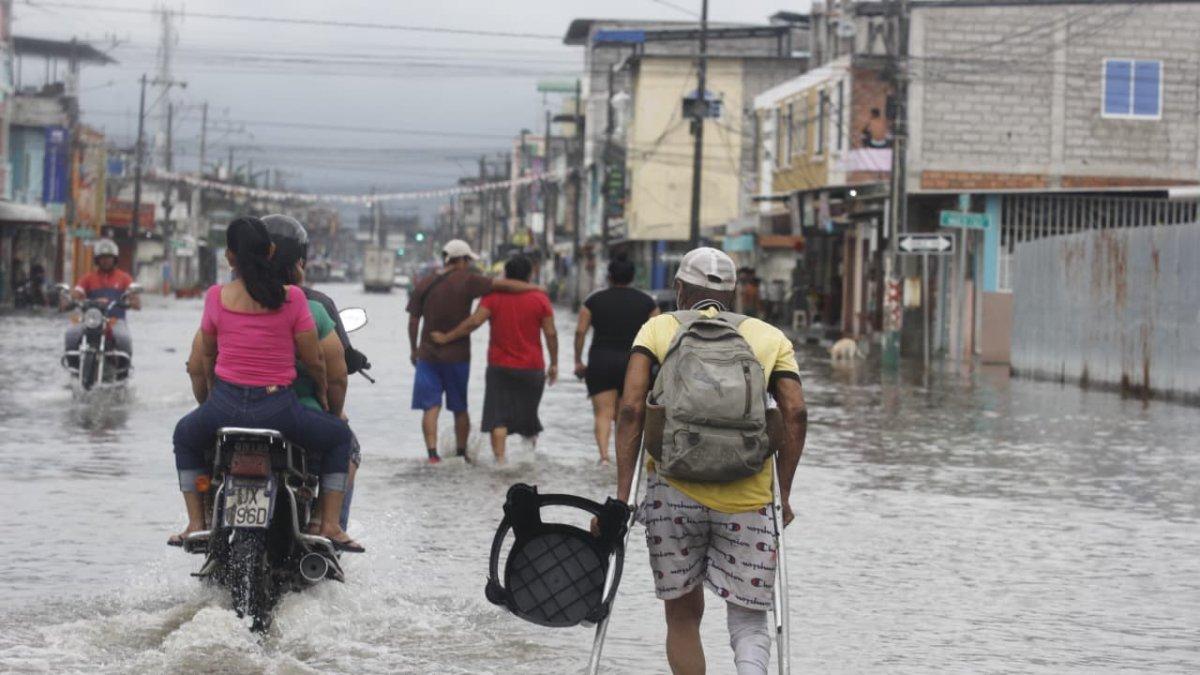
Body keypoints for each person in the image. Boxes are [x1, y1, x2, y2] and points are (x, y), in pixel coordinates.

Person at [612, 247, 808, 675]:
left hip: (672, 493)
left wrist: (622, 496)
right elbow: (794, 412)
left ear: (680, 288)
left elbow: (630, 408)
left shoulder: (658, 329)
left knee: (682, 617)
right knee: (749, 616)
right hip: (750, 497)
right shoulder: (769, 336)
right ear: (735, 293)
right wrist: (784, 494)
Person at [171, 216, 362, 552]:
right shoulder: (295, 300)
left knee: (184, 435)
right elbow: (317, 361)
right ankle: (329, 524)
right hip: (278, 409)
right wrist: (320, 393)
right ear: (271, 251)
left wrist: (212, 399)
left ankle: (196, 522)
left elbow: (205, 359)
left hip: (225, 407)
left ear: (230, 257)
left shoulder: (216, 297)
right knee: (341, 437)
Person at [406, 239, 539, 464]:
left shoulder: (425, 282)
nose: (468, 265)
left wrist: (414, 349)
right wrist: (534, 288)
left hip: (427, 355)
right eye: (468, 260)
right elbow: (505, 285)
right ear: (462, 260)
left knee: (430, 406)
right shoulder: (469, 280)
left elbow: (413, 320)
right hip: (457, 356)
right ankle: (461, 454)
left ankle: (432, 455)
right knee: (460, 407)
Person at [431, 255, 557, 463]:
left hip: (500, 367)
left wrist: (447, 337)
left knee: (498, 418)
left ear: (506, 275)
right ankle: (528, 462)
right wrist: (554, 363)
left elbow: (474, 322)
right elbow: (551, 333)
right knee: (529, 417)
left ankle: (500, 463)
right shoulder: (540, 298)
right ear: (529, 274)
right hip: (532, 368)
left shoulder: (493, 296)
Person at [573, 256, 658, 465]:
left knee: (603, 413)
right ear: (632, 277)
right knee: (626, 415)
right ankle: (624, 459)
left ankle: (603, 457)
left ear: (609, 276)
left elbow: (580, 332)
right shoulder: (648, 302)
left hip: (600, 361)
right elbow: (658, 334)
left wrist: (578, 361)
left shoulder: (593, 301)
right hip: (634, 363)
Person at [65, 239, 140, 355]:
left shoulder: (124, 278)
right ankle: (73, 365)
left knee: (124, 338)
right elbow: (76, 293)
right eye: (102, 258)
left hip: (115, 320)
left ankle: (124, 369)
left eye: (108, 257)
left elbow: (134, 298)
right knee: (71, 334)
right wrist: (69, 299)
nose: (105, 261)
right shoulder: (88, 278)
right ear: (97, 260)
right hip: (90, 320)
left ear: (114, 259)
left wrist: (132, 301)